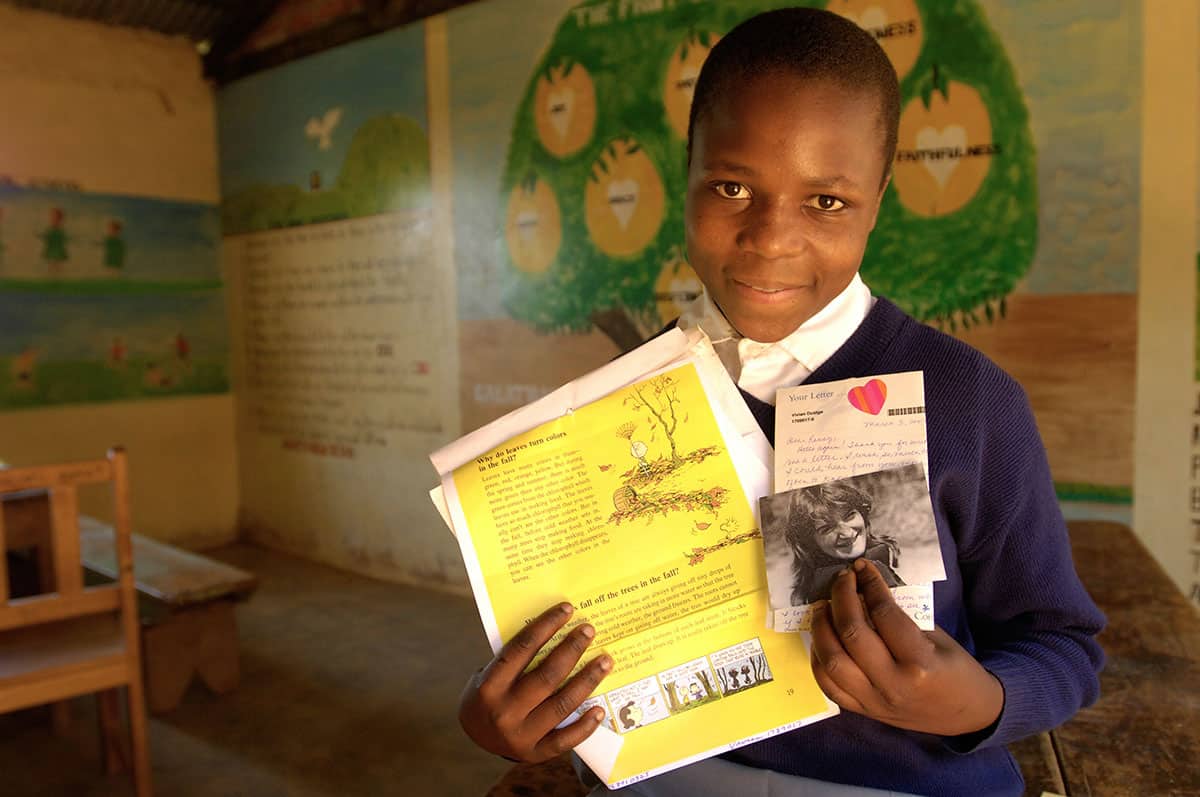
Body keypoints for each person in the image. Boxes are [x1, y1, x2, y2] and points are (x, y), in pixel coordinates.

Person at [457, 8, 1104, 796]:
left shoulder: (969, 402)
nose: (770, 239)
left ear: (879, 193)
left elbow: (1063, 643)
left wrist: (978, 702)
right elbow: (578, 629)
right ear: (687, 170)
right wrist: (509, 714)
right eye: (732, 186)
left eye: (826, 202)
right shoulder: (630, 399)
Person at [785, 481, 903, 606]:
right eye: (827, 528)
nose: (847, 533)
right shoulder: (825, 587)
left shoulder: (876, 557)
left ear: (862, 513)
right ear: (810, 543)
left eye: (849, 516)